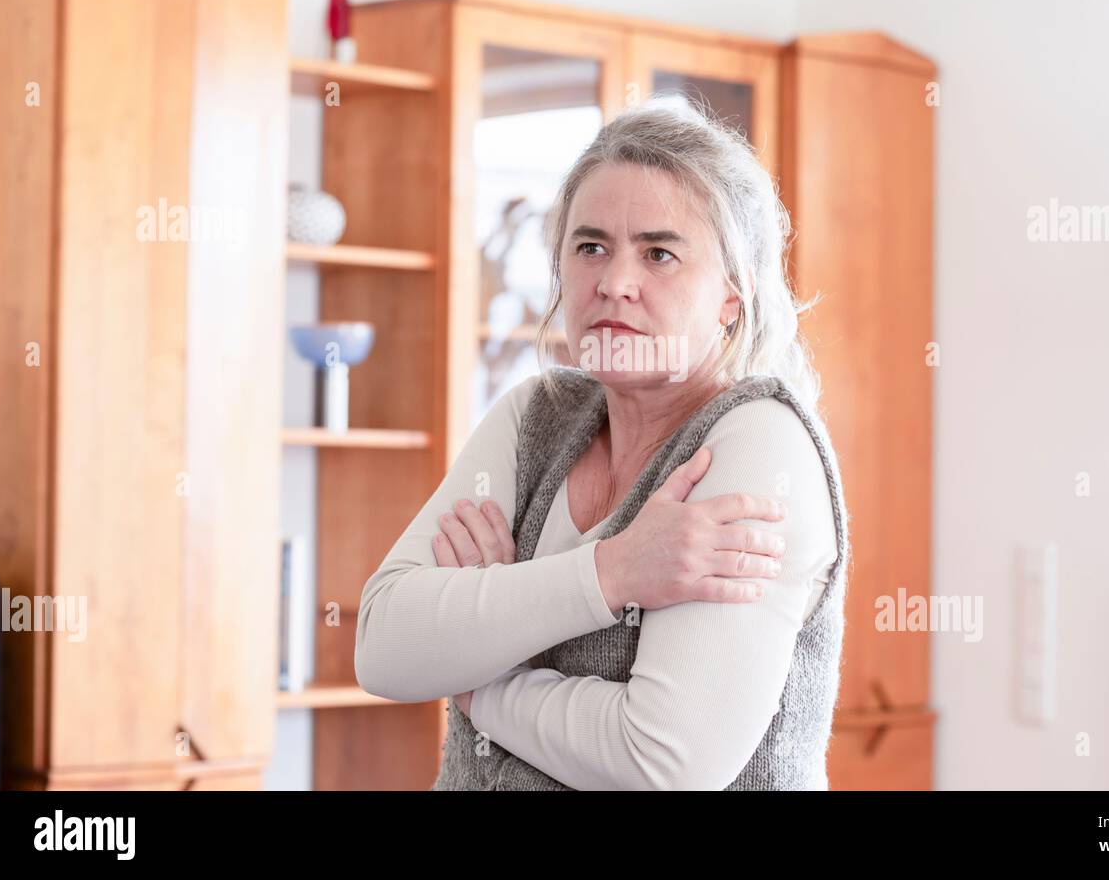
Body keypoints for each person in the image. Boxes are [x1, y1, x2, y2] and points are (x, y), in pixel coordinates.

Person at [355, 95, 851, 790]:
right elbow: (383, 648)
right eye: (591, 247)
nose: (615, 284)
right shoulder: (538, 415)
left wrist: (479, 676)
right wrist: (612, 572)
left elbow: (663, 762)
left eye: (660, 253)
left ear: (732, 294)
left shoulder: (760, 444)